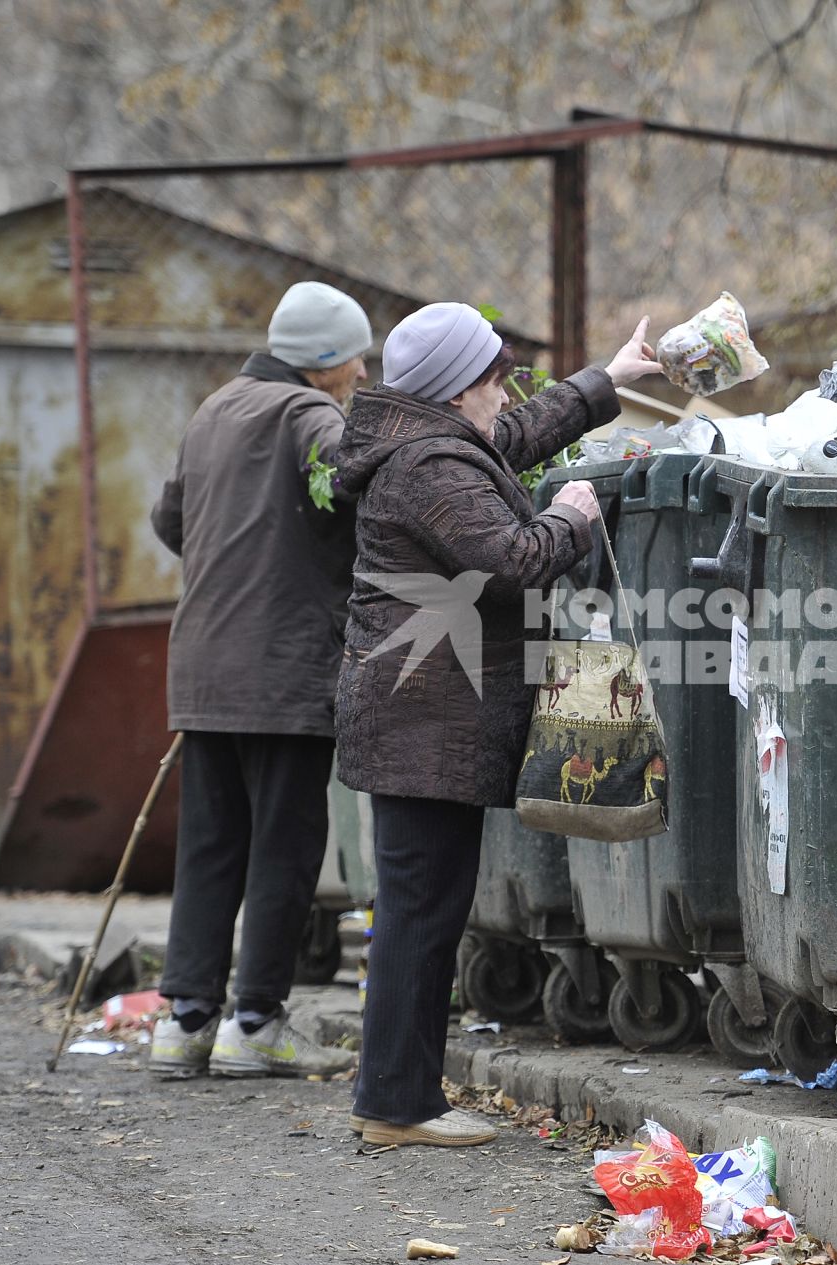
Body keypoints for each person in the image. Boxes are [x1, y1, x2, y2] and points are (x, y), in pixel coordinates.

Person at [333, 303, 660, 1147]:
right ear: (456, 388)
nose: (504, 390)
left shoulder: (435, 444)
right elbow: (513, 561)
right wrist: (574, 517)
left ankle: (396, 1096)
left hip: (420, 722)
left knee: (425, 909)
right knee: (420, 912)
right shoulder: (431, 466)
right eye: (493, 376)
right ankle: (396, 1105)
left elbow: (511, 435)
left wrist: (609, 377)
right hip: (422, 727)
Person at [147, 281, 373, 1082]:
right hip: (281, 669)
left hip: (204, 665)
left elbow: (169, 522)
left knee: (210, 845)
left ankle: (184, 1022)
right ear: (322, 360)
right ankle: (256, 1021)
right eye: (353, 356)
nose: (359, 370)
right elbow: (357, 495)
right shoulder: (309, 415)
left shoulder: (215, 409)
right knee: (283, 845)